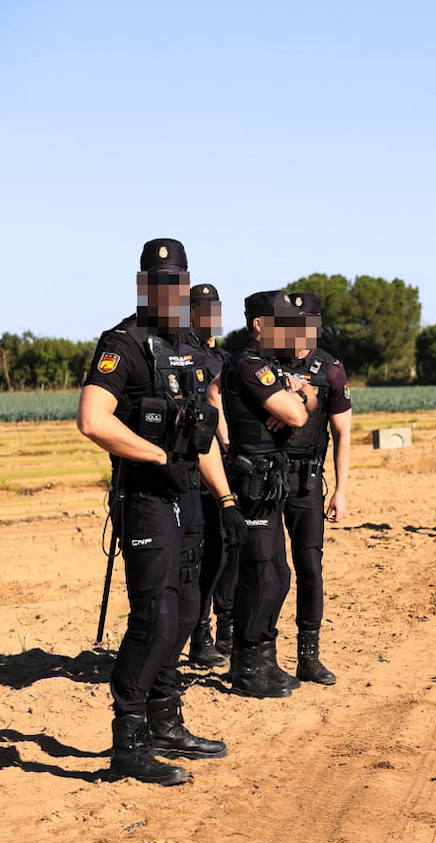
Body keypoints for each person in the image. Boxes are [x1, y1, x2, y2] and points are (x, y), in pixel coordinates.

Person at [76, 238, 244, 785]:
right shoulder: (122, 344)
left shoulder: (196, 348)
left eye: (178, 282)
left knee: (189, 610)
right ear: (145, 286)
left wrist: (225, 500)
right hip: (146, 499)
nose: (170, 292)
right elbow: (92, 419)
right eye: (160, 283)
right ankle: (128, 744)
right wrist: (155, 453)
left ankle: (167, 722)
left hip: (192, 497)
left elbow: (202, 439)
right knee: (155, 617)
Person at [215, 291, 318, 698]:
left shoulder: (268, 367)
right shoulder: (249, 364)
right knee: (260, 574)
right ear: (259, 325)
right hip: (252, 481)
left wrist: (295, 395)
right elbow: (297, 413)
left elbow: (305, 400)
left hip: (270, 480)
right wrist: (292, 399)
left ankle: (264, 656)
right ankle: (246, 665)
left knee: (278, 573)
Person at [281, 290, 353, 685]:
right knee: (269, 572)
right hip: (266, 481)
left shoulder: (332, 370)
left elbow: (342, 434)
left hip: (308, 483)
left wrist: (341, 491)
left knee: (309, 568)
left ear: (316, 324)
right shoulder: (266, 363)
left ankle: (309, 656)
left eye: (305, 323)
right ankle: (258, 654)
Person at [184, 282, 231, 669]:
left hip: (225, 467)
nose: (211, 314)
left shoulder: (227, 360)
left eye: (215, 307)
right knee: (199, 554)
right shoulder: (181, 355)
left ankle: (223, 628)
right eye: (204, 308)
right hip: (194, 469)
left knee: (224, 551)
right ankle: (199, 634)